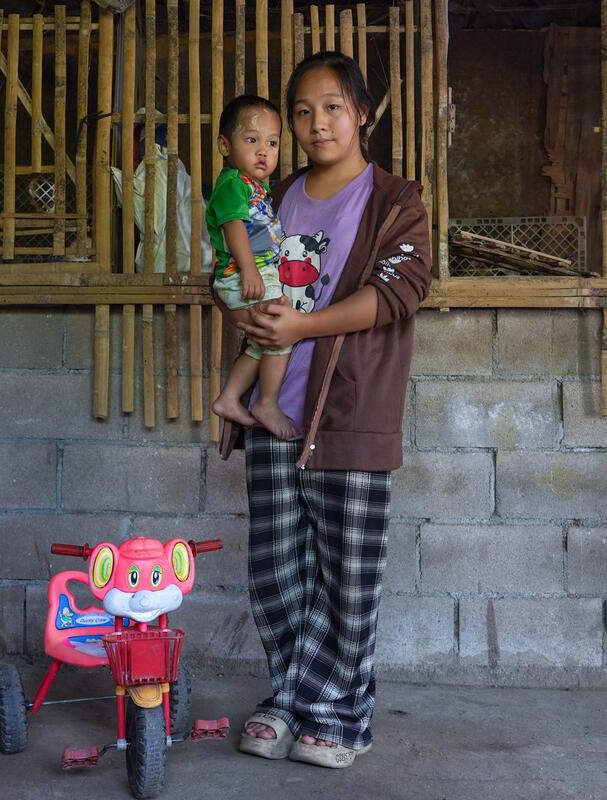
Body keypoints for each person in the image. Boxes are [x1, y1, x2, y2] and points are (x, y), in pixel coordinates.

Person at [214, 51, 432, 769]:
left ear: (363, 113)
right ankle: (284, 701)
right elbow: (242, 279)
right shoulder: (270, 197)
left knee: (347, 576)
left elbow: (400, 293)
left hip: (348, 414)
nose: (316, 124)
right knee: (278, 571)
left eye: (333, 107)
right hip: (275, 412)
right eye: (302, 112)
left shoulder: (397, 200)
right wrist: (238, 339)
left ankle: (336, 716)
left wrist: (302, 327)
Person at [208, 95, 299, 441]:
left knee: (261, 343)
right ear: (224, 146)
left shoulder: (253, 187)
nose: (264, 151)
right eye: (252, 140)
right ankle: (267, 403)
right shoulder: (232, 184)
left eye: (272, 143)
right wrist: (250, 271)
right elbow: (233, 228)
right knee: (279, 334)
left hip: (252, 273)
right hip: (241, 275)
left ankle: (229, 398)